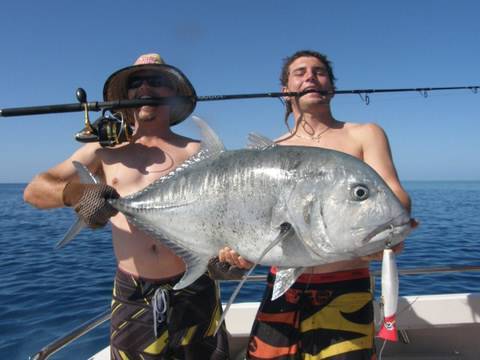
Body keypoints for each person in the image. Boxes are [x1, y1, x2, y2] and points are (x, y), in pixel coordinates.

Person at [24, 53, 229, 360]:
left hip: (197, 287)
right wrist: (75, 193)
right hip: (133, 296)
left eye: (156, 80)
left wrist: (227, 252)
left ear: (172, 92)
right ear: (126, 95)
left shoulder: (199, 152)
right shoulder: (103, 151)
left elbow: (226, 214)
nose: (145, 86)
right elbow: (34, 190)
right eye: (136, 82)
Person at [218, 50, 417, 359]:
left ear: (331, 87)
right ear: (285, 90)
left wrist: (389, 228)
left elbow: (395, 193)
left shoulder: (363, 134)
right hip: (282, 288)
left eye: (319, 71)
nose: (310, 76)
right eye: (300, 72)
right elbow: (252, 220)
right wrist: (235, 248)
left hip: (346, 288)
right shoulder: (273, 152)